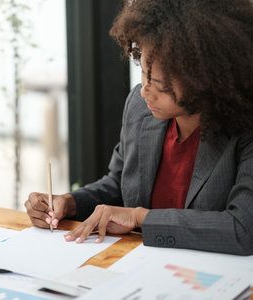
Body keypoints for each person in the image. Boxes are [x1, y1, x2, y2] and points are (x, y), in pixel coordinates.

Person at [25, 0, 253, 255]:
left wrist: (140, 218)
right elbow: (119, 184)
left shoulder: (245, 130)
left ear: (205, 79)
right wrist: (68, 203)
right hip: (138, 266)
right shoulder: (140, 107)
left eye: (160, 85)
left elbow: (242, 229)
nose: (145, 92)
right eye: (144, 74)